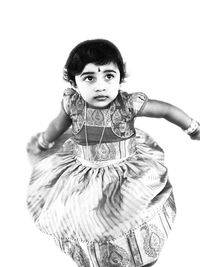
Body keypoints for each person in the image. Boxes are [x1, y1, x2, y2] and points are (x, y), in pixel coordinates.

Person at [27, 39, 200, 267]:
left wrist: (192, 127)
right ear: (74, 81)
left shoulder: (127, 104)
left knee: (131, 213)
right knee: (88, 218)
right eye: (89, 78)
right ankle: (103, 258)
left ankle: (142, 255)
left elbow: (165, 110)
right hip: (85, 172)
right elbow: (58, 126)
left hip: (126, 170)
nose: (100, 86)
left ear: (120, 76)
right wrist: (44, 141)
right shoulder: (72, 104)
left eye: (109, 76)